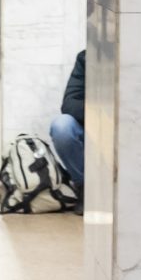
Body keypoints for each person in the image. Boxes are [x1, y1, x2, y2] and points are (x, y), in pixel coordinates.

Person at [49, 51, 85, 200]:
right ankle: (84, 187)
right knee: (62, 127)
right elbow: (69, 103)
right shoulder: (87, 57)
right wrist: (101, 115)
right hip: (92, 126)